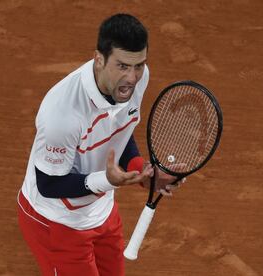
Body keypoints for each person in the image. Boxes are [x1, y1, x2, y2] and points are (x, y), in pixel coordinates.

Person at [17, 13, 184, 276]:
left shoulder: (136, 81)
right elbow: (48, 185)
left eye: (139, 65)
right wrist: (106, 181)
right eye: (122, 66)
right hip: (56, 222)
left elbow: (119, 129)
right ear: (99, 59)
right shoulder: (62, 114)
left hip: (101, 212)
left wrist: (141, 171)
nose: (132, 77)